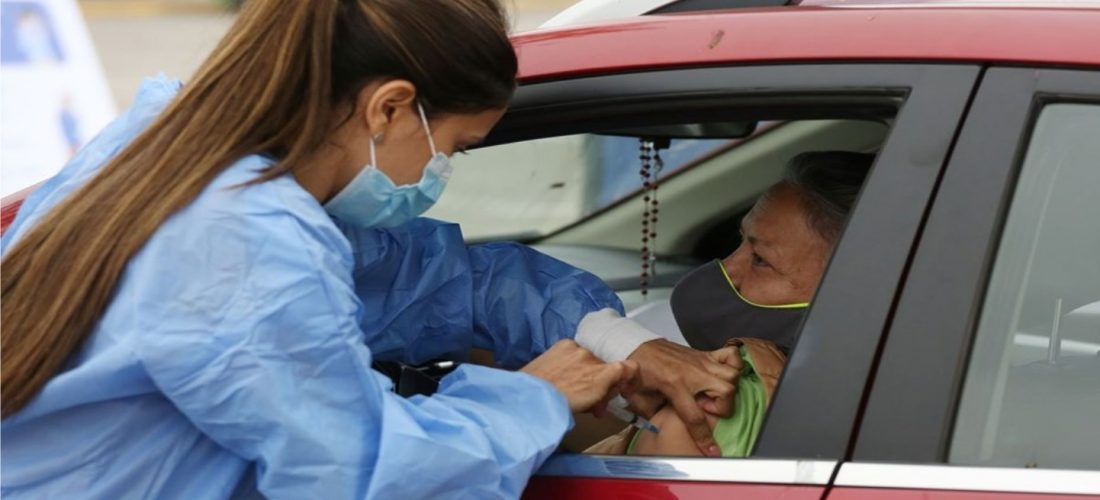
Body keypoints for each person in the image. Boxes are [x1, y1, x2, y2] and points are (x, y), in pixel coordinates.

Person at [0, 1, 736, 498]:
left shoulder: (180, 163)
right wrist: (533, 398)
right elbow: (360, 476)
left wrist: (621, 342)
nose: (441, 175)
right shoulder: (243, 241)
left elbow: (452, 283)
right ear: (388, 107)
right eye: (455, 148)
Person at [588, 151, 875, 457]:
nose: (727, 269)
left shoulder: (710, 415)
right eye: (740, 242)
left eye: (761, 260)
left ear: (849, 290)